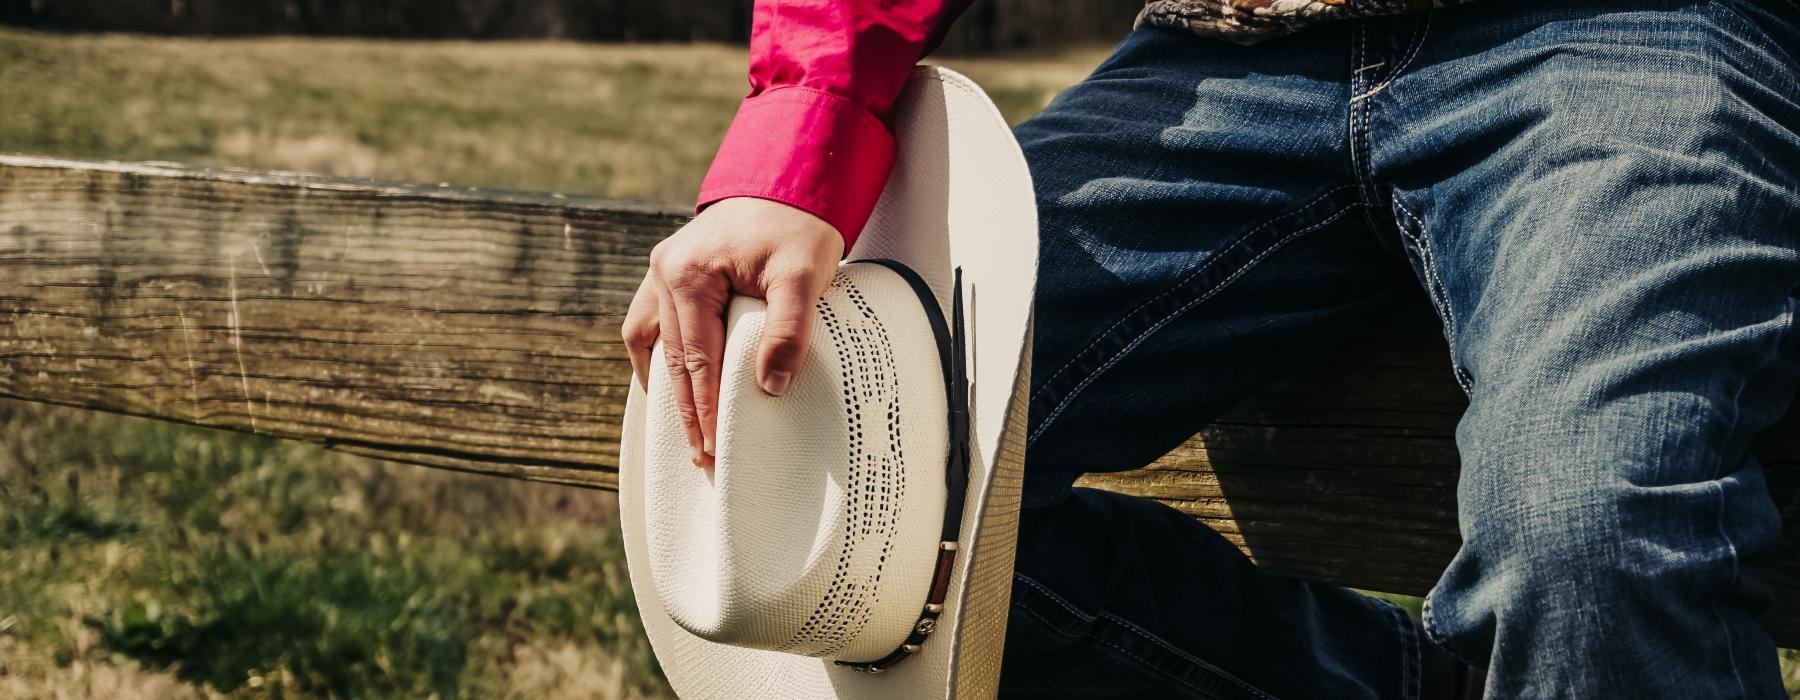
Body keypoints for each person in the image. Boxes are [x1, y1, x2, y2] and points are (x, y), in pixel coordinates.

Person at [620, 0, 1800, 696]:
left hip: (1628, 29)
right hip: (1228, 48)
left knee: (1595, 531)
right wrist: (806, 124)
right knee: (868, 531)